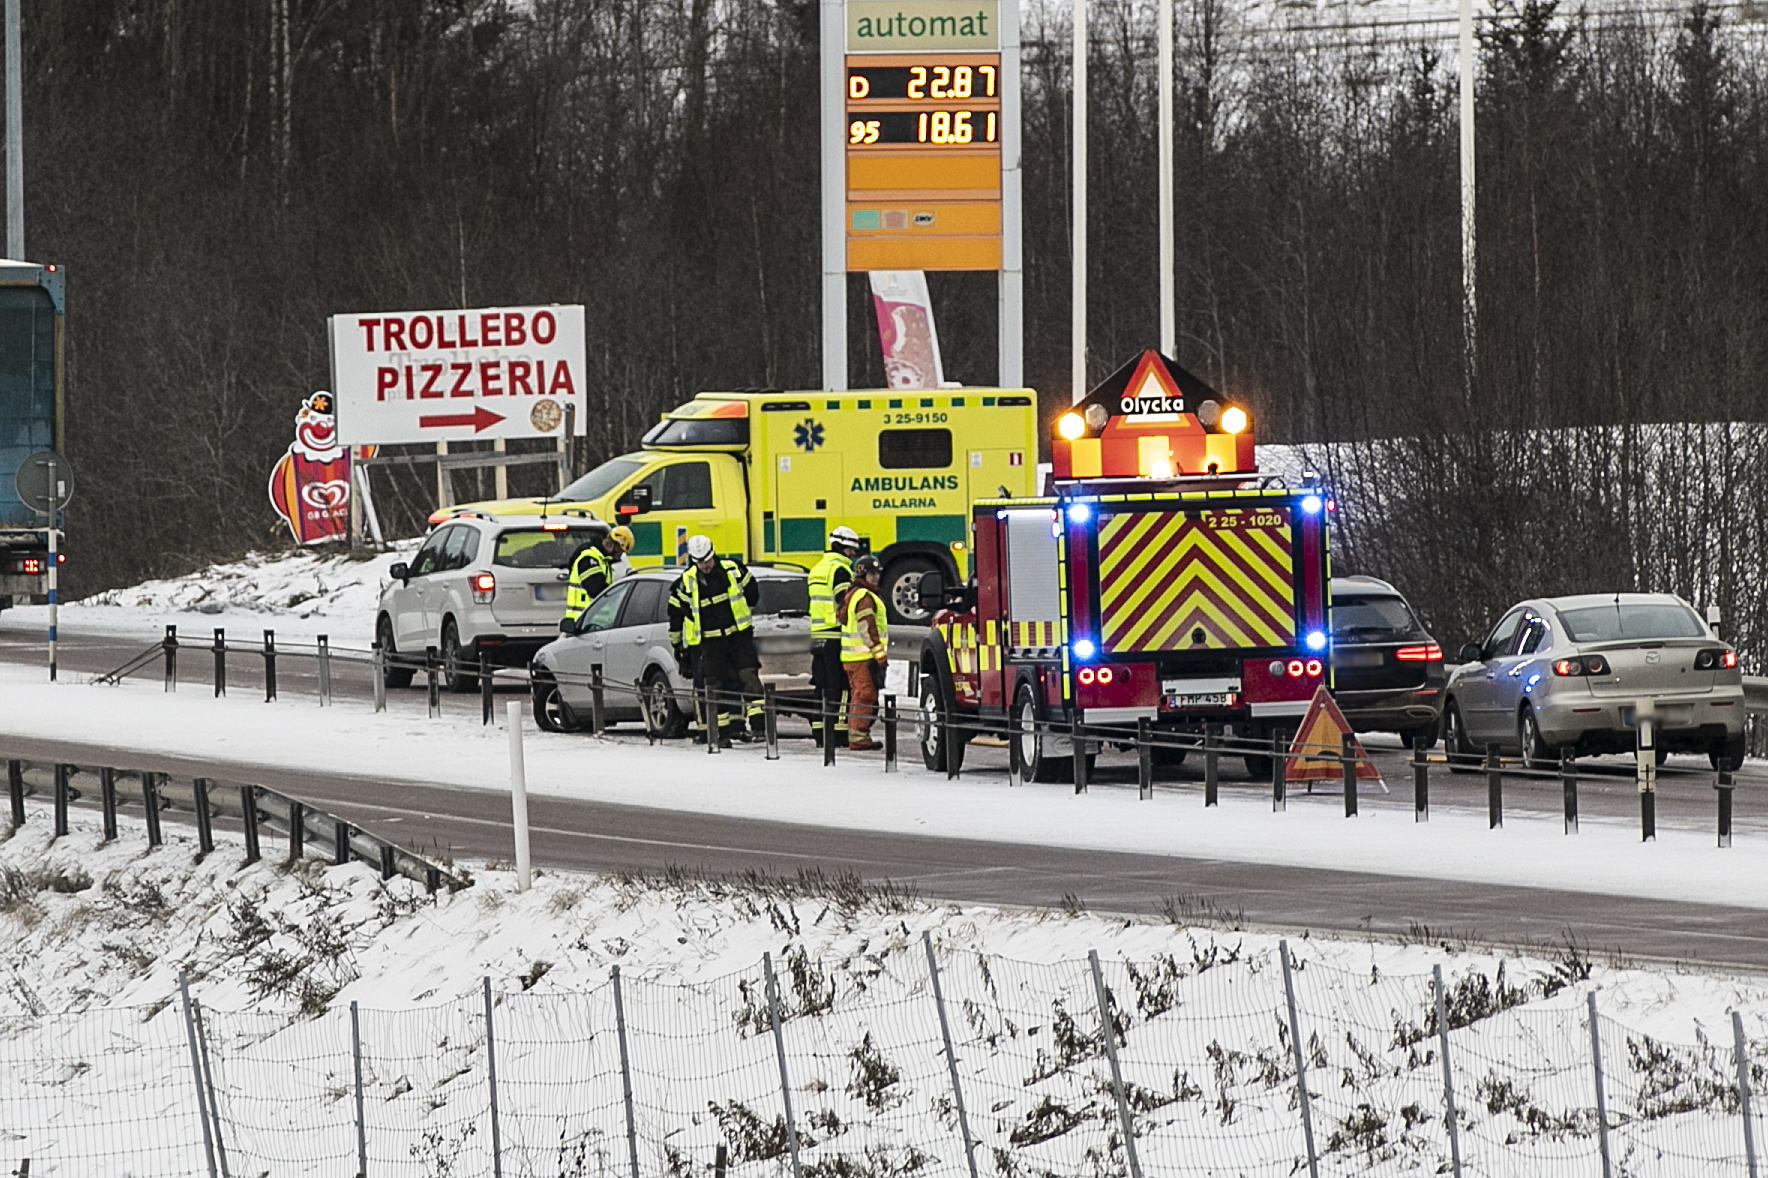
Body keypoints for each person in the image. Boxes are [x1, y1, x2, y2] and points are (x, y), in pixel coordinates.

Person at [667, 534, 764, 747]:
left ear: (714, 554)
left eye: (708, 561)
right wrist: (679, 649)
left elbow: (753, 594)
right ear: (693, 560)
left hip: (739, 638)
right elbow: (675, 618)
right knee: (715, 687)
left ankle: (760, 727)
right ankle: (721, 735)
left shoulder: (734, 570)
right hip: (710, 644)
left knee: (749, 679)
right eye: (700, 563)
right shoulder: (685, 583)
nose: (705, 566)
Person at [807, 525, 863, 749]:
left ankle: (820, 732)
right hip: (835, 635)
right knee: (839, 686)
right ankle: (839, 734)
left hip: (817, 636)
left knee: (821, 686)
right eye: (850, 550)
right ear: (840, 547)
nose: (852, 555)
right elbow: (844, 601)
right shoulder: (840, 570)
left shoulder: (817, 569)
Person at [840, 554, 889, 751]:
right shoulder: (864, 597)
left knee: (858, 695)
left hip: (852, 657)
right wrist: (879, 653)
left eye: (877, 573)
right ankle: (859, 738)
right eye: (872, 573)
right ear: (863, 574)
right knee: (865, 695)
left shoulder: (853, 593)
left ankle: (857, 736)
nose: (876, 577)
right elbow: (866, 627)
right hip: (863, 657)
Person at [564, 525, 635, 623]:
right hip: (583, 622)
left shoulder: (603, 560)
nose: (619, 556)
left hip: (595, 622)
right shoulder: (588, 558)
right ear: (612, 545)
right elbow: (597, 590)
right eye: (620, 551)